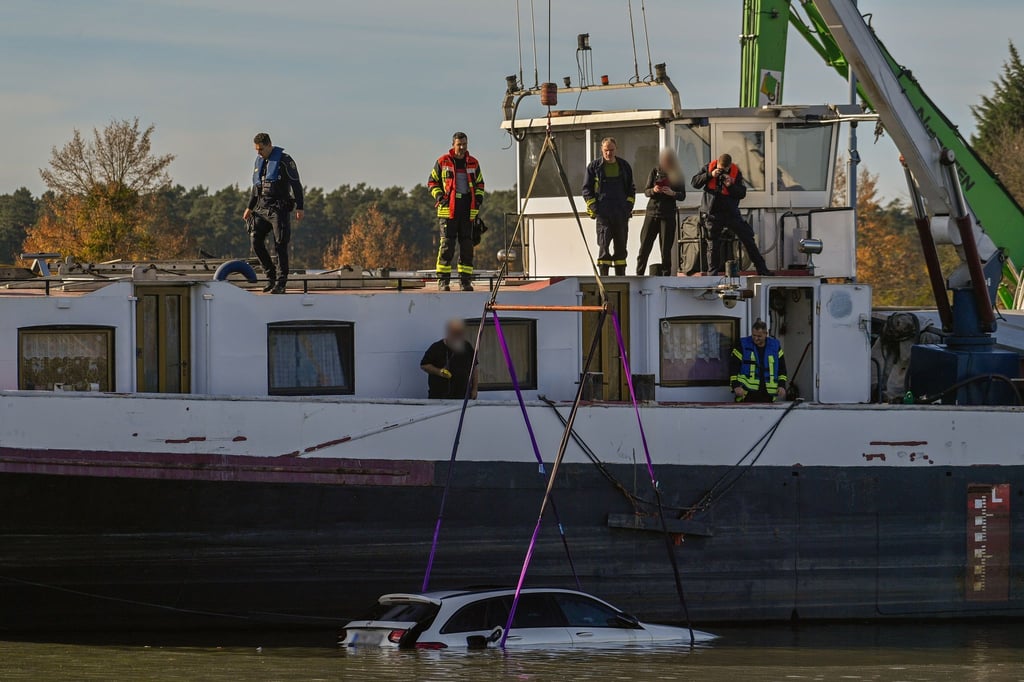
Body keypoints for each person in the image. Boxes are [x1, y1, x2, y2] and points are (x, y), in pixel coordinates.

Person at [691, 153, 771, 276]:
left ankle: (762, 270)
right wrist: (710, 175)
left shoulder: (736, 172)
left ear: (729, 167)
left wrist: (730, 185)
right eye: (720, 169)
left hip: (730, 212)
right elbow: (694, 183)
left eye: (725, 170)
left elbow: (741, 193)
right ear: (717, 164)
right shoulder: (708, 168)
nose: (722, 172)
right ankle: (712, 274)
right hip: (712, 212)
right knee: (713, 244)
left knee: (748, 238)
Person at [243, 133, 304, 294]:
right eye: (256, 150)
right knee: (255, 240)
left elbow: (296, 184)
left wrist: (300, 207)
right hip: (262, 207)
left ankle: (281, 282)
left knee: (280, 244)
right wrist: (249, 207)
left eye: (261, 149)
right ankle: (270, 276)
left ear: (269, 145)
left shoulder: (285, 161)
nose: (258, 153)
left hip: (279, 208)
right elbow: (256, 187)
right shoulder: (259, 161)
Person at [429, 132, 486, 292]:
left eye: (464, 144)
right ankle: (443, 282)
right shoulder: (443, 161)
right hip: (448, 210)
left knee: (467, 246)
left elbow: (480, 183)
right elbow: (432, 182)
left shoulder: (473, 163)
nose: (462, 147)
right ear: (453, 144)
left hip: (468, 209)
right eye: (459, 144)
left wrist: (479, 200)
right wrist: (440, 196)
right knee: (447, 245)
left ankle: (465, 282)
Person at [583, 137, 635, 276]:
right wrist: (594, 208)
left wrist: (628, 207)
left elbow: (631, 189)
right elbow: (586, 190)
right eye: (606, 150)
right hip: (603, 214)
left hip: (620, 214)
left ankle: (621, 277)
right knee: (604, 247)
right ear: (601, 149)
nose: (609, 153)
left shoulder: (624, 166)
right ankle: (604, 278)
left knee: (621, 248)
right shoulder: (594, 167)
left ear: (616, 149)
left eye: (611, 150)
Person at [636, 149, 686, 276]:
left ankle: (665, 275)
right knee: (644, 247)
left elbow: (682, 195)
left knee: (665, 249)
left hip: (668, 215)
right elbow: (646, 191)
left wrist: (672, 193)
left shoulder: (677, 174)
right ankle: (639, 273)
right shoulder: (655, 171)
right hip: (652, 213)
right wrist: (654, 190)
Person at [730, 319, 787, 403]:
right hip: (746, 394)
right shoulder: (742, 344)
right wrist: (736, 386)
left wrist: (782, 385)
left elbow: (782, 368)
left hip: (768, 395)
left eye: (759, 336)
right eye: (754, 335)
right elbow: (733, 366)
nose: (756, 338)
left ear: (766, 334)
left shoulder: (775, 346)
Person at [420, 319, 479, 399]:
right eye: (454, 334)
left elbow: (474, 368)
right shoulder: (436, 348)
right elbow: (424, 365)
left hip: (463, 396)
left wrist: (475, 389)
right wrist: (439, 372)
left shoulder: (467, 347)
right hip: (439, 397)